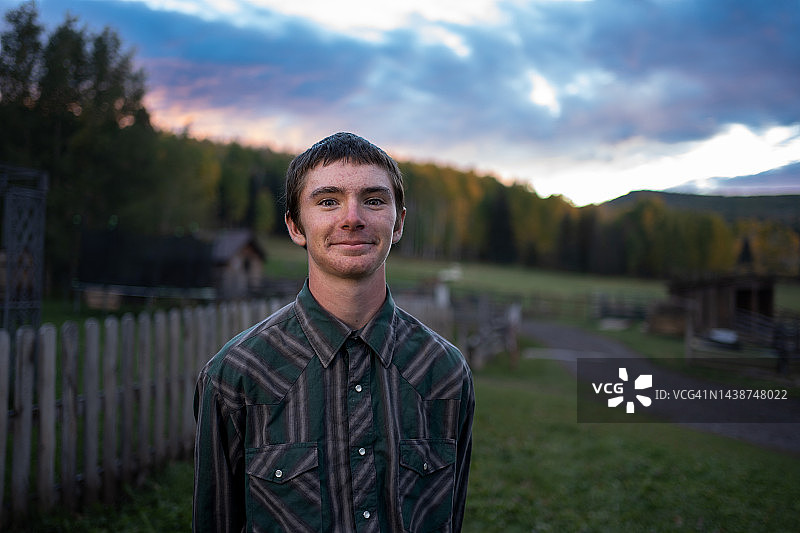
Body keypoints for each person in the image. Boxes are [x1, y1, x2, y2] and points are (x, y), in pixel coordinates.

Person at [193, 132, 475, 532]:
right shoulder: (235, 376)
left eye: (374, 200)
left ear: (398, 224)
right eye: (328, 201)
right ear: (295, 226)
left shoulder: (445, 371)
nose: (352, 218)